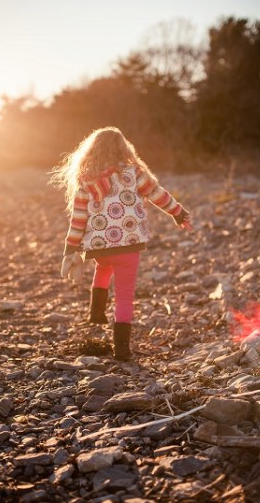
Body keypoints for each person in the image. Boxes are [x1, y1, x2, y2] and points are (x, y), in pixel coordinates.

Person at [50, 126, 192, 360]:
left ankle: (96, 311)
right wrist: (178, 213)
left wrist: (71, 248)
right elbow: (157, 194)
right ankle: (122, 350)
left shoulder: (86, 180)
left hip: (99, 247)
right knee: (125, 295)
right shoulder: (133, 173)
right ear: (123, 148)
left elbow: (78, 219)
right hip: (128, 245)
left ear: (91, 151)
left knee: (103, 267)